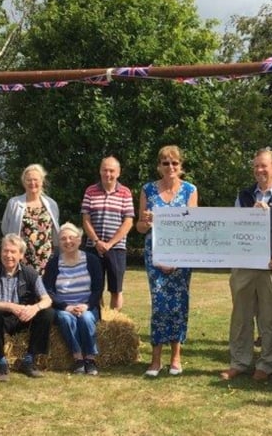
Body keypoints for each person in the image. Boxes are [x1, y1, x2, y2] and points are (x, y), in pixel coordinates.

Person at [219, 148, 272, 382]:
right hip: (244, 266)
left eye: (263, 165)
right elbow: (233, 228)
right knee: (241, 317)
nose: (259, 170)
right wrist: (249, 216)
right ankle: (239, 362)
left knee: (271, 319)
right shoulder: (244, 196)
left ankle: (266, 365)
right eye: (256, 166)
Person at [136, 145, 198, 377]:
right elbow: (140, 227)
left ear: (180, 166)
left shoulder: (190, 190)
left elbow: (193, 226)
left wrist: (178, 259)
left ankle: (176, 357)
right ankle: (155, 360)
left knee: (179, 305)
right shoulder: (148, 190)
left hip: (182, 256)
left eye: (174, 163)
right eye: (165, 163)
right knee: (159, 305)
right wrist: (147, 222)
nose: (170, 167)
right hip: (155, 256)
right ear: (159, 166)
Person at [0, 233, 55, 381]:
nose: (8, 255)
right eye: (5, 251)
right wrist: (10, 306)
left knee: (47, 313)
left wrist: (34, 308)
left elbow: (47, 299)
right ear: (0, 252)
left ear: (21, 255)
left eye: (13, 252)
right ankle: (0, 359)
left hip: (21, 318)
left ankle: (29, 359)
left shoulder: (30, 273)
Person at [43, 222, 103, 375]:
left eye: (71, 238)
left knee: (86, 318)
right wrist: (66, 307)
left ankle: (90, 359)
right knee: (65, 318)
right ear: (59, 242)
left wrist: (86, 306)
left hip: (87, 306)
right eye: (63, 239)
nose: (68, 241)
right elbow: (48, 291)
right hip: (63, 307)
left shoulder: (92, 260)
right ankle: (78, 358)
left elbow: (98, 289)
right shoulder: (53, 263)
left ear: (79, 240)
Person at [81, 156, 135, 311]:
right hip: (93, 247)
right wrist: (97, 242)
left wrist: (110, 244)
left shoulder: (125, 192)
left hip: (117, 248)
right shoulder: (90, 191)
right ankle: (99, 322)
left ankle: (113, 323)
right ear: (100, 171)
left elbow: (128, 222)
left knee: (116, 289)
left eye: (112, 170)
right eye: (105, 170)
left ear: (118, 173)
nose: (108, 174)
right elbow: (86, 220)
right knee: (95, 288)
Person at [1, 164, 60, 274]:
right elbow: (5, 228)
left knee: (44, 290)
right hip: (22, 257)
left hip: (46, 258)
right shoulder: (14, 203)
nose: (32, 183)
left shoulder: (52, 204)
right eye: (29, 180)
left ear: (42, 181)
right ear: (24, 182)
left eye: (35, 180)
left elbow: (54, 230)